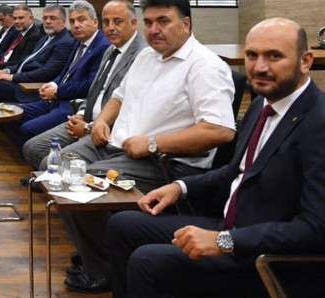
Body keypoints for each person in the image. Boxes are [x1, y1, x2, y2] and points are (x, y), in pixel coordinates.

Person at [107, 17, 325, 298]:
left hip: (268, 258)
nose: (259, 67)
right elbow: (237, 171)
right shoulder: (262, 104)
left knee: (147, 262)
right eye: (252, 55)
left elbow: (315, 229)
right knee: (123, 225)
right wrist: (180, 187)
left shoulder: (318, 122)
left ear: (305, 61)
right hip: (231, 226)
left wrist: (225, 241)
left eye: (274, 56)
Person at [58, 0, 236, 293]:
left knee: (81, 186)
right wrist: (102, 121)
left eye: (163, 21)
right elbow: (118, 96)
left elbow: (220, 130)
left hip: (162, 162)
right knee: (61, 169)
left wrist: (153, 143)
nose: (154, 30)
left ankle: (102, 269)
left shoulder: (205, 66)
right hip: (117, 146)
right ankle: (99, 252)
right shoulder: (145, 56)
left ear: (186, 24)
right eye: (149, 22)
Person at [22, 0, 145, 169]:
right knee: (32, 148)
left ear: (134, 23)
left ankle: (56, 177)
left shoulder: (142, 55)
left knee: (46, 161)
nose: (110, 27)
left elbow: (128, 107)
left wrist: (88, 127)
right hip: (84, 114)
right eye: (107, 22)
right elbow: (96, 90)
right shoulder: (110, 50)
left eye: (117, 22)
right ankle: (51, 178)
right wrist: (81, 113)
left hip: (106, 129)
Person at [14, 0, 109, 141]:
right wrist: (53, 84)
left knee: (28, 128)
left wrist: (57, 91)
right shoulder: (78, 41)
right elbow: (66, 73)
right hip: (58, 98)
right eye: (72, 21)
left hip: (74, 104)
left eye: (81, 19)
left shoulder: (103, 47)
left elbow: (90, 85)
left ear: (95, 22)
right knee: (15, 113)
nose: (76, 25)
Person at [0, 4, 75, 104]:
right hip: (22, 78)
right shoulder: (46, 37)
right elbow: (26, 60)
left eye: (52, 18)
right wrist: (6, 70)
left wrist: (12, 77)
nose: (47, 21)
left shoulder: (64, 42)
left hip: (31, 87)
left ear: (63, 21)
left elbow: (47, 72)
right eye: (45, 18)